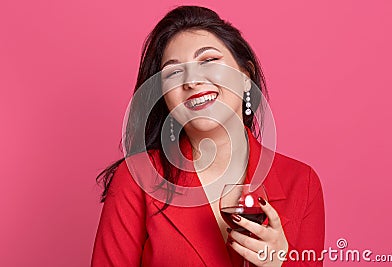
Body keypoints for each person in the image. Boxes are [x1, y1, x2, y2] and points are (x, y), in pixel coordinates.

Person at [91, 5, 324, 267]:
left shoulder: (302, 182)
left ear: (246, 75)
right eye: (174, 72)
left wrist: (282, 264)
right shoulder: (137, 177)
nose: (191, 81)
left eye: (209, 61)